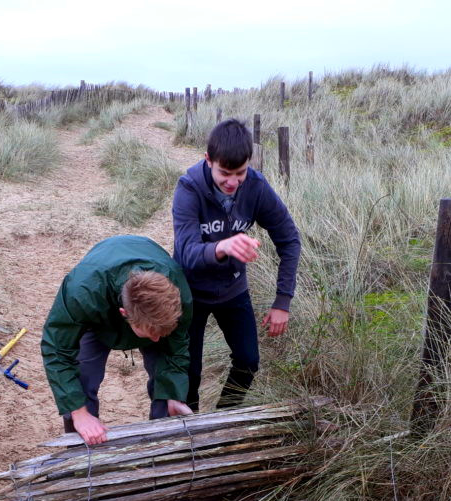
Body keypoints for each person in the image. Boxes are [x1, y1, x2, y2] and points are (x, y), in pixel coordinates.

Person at [171, 118, 301, 411]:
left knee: (247, 362)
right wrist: (222, 246)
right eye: (224, 173)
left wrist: (283, 300)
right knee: (189, 373)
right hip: (189, 291)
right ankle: (187, 431)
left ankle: (223, 420)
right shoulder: (188, 188)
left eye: (239, 173)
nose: (232, 182)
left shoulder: (255, 186)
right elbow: (187, 252)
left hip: (232, 290)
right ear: (208, 160)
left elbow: (290, 240)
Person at [41, 235, 193, 446]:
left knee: (165, 381)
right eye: (151, 333)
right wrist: (78, 412)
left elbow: (175, 348)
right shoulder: (82, 291)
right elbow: (57, 350)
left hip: (145, 278)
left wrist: (173, 394)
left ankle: (162, 445)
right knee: (83, 374)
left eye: (161, 332)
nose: (157, 339)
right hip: (98, 307)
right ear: (124, 314)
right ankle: (80, 449)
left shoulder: (177, 293)